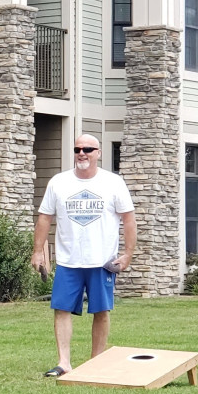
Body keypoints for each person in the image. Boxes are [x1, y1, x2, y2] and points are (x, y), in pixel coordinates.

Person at [32, 134, 136, 377]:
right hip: (69, 260)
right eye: (78, 148)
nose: (82, 153)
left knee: (101, 310)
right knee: (61, 308)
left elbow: (128, 219)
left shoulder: (113, 183)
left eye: (88, 149)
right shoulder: (59, 182)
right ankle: (64, 363)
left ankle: (96, 363)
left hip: (102, 261)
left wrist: (128, 254)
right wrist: (38, 251)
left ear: (98, 153)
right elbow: (45, 218)